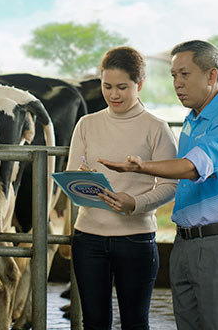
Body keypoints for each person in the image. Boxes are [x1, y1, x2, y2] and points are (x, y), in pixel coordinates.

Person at [99, 40, 218, 330]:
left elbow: (192, 168)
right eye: (173, 76)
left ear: (211, 75)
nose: (177, 83)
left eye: (185, 74)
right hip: (185, 242)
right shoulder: (192, 120)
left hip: (216, 243)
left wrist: (140, 166)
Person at [67, 46, 178, 330]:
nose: (113, 95)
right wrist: (82, 181)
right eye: (107, 86)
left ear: (139, 84)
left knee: (135, 322)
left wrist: (135, 203)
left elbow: (170, 185)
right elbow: (71, 173)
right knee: (93, 322)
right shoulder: (86, 124)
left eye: (122, 87)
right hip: (88, 238)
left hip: (136, 239)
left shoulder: (157, 128)